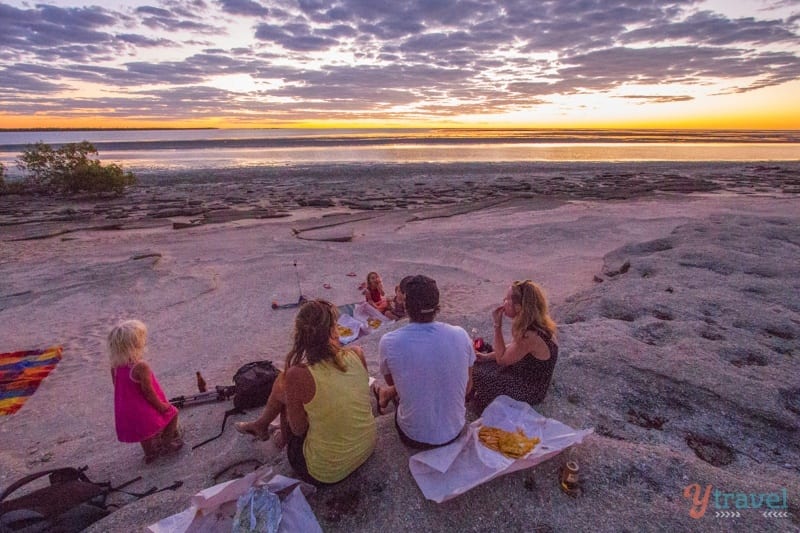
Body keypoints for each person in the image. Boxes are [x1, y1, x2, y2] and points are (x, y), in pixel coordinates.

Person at [235, 299, 376, 485]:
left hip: (326, 472)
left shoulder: (298, 375)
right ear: (333, 329)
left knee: (284, 387)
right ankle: (261, 424)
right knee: (291, 386)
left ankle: (267, 429)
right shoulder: (356, 353)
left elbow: (299, 429)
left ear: (300, 335)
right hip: (367, 447)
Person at [374, 275, 474, 449]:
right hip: (455, 429)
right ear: (437, 305)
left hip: (414, 435)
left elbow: (395, 383)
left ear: (406, 304)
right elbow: (468, 387)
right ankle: (385, 394)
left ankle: (384, 394)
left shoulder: (389, 341)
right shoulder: (460, 334)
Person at [469, 280, 558, 414]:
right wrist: (487, 357)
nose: (503, 301)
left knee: (473, 371)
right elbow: (514, 348)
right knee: (484, 350)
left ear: (518, 307)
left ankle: (473, 397)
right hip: (526, 375)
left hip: (529, 389)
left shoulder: (529, 335)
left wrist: (497, 326)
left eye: (507, 299)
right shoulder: (537, 325)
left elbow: (502, 359)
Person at [108, 319, 183, 464]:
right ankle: (167, 443)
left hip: (126, 409)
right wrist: (161, 406)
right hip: (143, 408)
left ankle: (149, 453)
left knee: (143, 432)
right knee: (172, 413)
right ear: (135, 344)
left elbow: (116, 386)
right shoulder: (140, 366)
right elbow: (148, 392)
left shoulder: (115, 366)